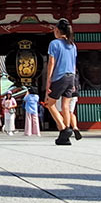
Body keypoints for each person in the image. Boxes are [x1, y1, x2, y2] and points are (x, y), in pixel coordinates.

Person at [43, 18, 79, 146]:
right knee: (66, 106)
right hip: (71, 77)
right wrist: (74, 82)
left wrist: (48, 79)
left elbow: (51, 62)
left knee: (49, 103)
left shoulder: (54, 43)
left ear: (57, 30)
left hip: (60, 77)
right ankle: (65, 136)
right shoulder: (72, 45)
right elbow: (74, 64)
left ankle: (64, 128)